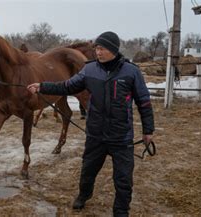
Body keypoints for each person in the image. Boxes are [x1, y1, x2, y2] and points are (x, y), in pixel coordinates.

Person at [27, 31, 154, 216]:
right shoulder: (90, 69)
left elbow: (144, 102)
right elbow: (67, 86)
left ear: (113, 49)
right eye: (96, 48)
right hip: (96, 135)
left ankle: (121, 211)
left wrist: (148, 130)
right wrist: (42, 86)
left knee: (123, 179)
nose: (98, 52)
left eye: (102, 48)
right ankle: (84, 195)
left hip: (121, 137)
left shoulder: (131, 71)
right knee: (87, 171)